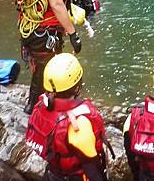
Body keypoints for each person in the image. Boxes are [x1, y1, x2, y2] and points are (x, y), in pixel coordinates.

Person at [26, 53, 109, 181]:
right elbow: (92, 169)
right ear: (77, 87)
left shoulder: (40, 106)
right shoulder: (78, 123)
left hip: (53, 174)